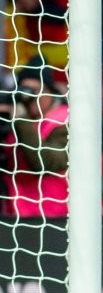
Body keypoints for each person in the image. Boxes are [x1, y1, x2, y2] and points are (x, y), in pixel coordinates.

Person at [6, 57, 69, 218]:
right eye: (26, 91)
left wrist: (20, 119)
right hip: (15, 214)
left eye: (37, 91)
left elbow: (44, 162)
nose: (32, 98)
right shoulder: (13, 121)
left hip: (54, 218)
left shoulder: (64, 122)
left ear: (50, 92)